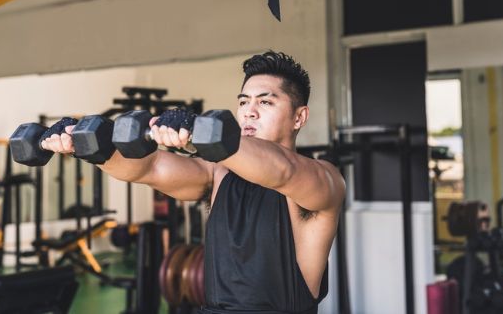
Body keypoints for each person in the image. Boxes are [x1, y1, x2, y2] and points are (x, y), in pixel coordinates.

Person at [41, 51, 346, 314]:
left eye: (265, 102)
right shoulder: (218, 174)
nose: (249, 111)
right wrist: (90, 147)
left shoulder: (322, 179)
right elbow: (150, 168)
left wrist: (196, 132)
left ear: (299, 117)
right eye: (244, 102)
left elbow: (283, 171)